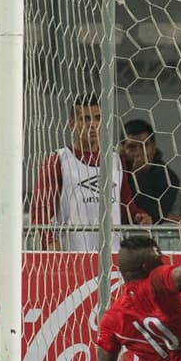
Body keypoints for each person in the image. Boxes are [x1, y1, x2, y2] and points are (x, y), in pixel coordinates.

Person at [31, 94, 150, 251]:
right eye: (86, 119)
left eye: (98, 118)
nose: (92, 124)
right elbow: (40, 208)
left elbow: (124, 205)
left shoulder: (116, 160)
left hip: (111, 253)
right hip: (71, 254)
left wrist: (138, 216)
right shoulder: (58, 160)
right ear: (72, 123)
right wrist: (49, 241)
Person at [121, 118, 181, 224]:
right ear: (122, 150)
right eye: (132, 147)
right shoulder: (114, 172)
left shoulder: (169, 179)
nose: (139, 152)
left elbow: (156, 217)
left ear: (153, 147)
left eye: (144, 145)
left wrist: (138, 175)